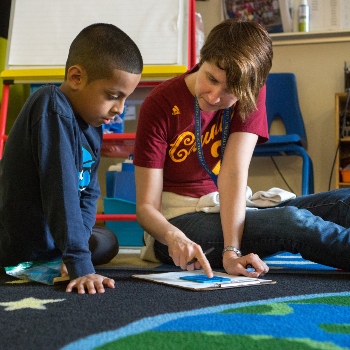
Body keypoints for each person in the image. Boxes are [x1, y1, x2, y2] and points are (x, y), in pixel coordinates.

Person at [133, 18, 350, 279]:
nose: (214, 97)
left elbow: (234, 173)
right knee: (291, 222)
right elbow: (146, 208)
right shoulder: (159, 104)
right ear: (202, 58)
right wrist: (176, 238)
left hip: (226, 208)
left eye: (229, 91)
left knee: (343, 202)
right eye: (211, 79)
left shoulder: (250, 92)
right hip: (176, 225)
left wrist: (231, 249)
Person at [0, 23, 143, 294]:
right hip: (19, 239)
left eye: (126, 99)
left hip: (54, 239)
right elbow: (62, 187)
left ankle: (64, 254)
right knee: (90, 247)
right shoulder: (50, 105)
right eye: (113, 96)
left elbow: (89, 191)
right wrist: (80, 263)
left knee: (107, 241)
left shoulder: (91, 124)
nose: (119, 110)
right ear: (76, 77)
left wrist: (78, 245)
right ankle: (61, 255)